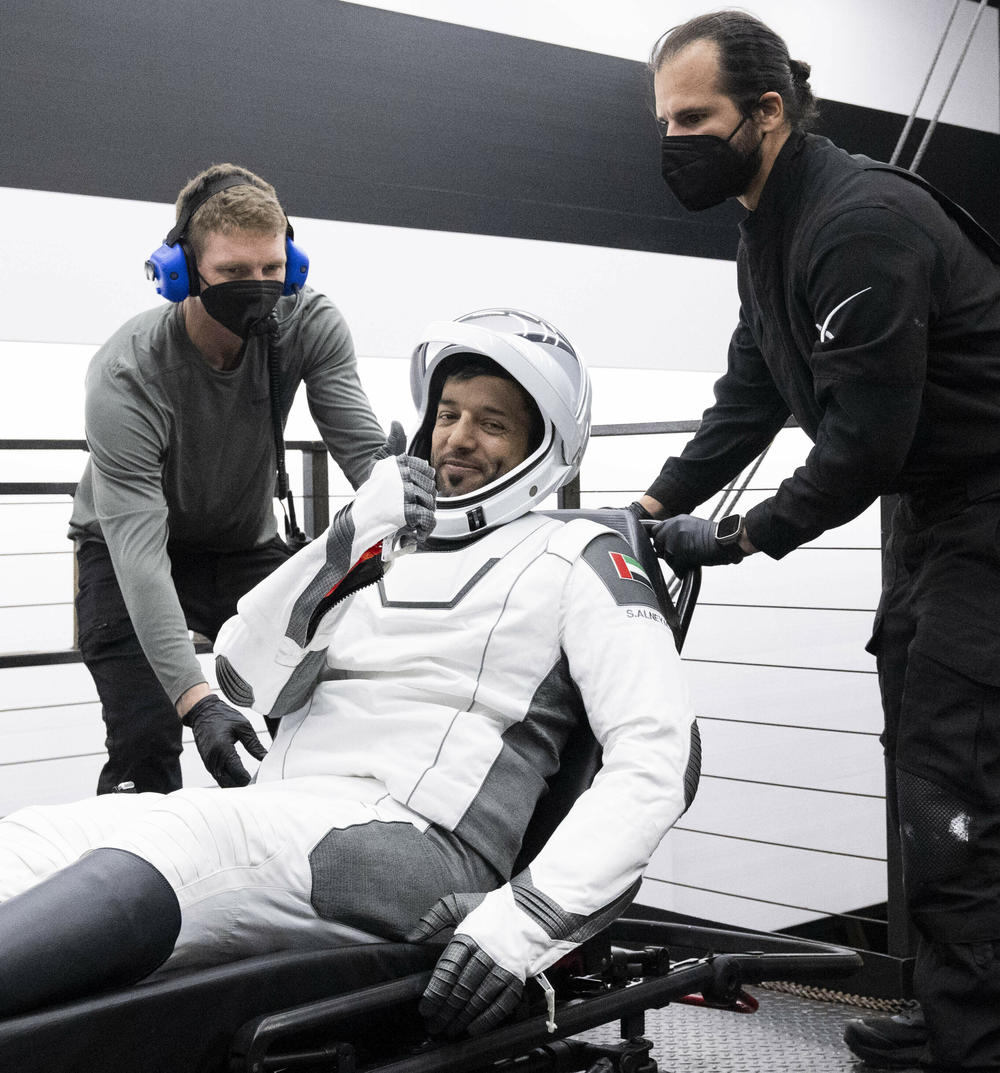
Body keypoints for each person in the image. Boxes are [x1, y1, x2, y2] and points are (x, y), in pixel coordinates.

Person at [0, 310, 696, 1037]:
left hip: (422, 845)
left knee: (186, 839)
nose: (458, 438)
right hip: (293, 811)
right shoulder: (379, 550)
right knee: (39, 835)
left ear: (543, 447)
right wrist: (352, 532)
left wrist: (525, 922)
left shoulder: (580, 557)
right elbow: (240, 678)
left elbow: (658, 758)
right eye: (448, 413)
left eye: (492, 423)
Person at [632, 11, 1000, 1072]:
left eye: (693, 116)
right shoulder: (769, 228)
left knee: (956, 786)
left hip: (984, 509)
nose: (673, 139)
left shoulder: (860, 223)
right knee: (926, 771)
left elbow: (860, 443)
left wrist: (742, 535)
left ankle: (973, 1047)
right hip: (933, 516)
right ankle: (946, 1013)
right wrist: (656, 505)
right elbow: (749, 392)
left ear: (768, 110)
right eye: (664, 119)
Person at [68, 163, 386, 796]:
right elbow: (139, 555)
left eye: (272, 269)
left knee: (310, 715)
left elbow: (363, 454)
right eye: (235, 273)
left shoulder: (309, 324)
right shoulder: (127, 373)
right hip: (128, 551)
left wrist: (413, 499)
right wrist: (198, 701)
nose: (259, 287)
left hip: (243, 547)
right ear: (182, 272)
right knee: (146, 741)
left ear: (292, 263)